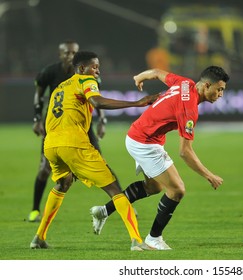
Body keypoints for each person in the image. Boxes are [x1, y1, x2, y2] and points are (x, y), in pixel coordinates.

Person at [89, 66, 230, 250]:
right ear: (206, 86)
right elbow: (185, 152)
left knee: (153, 187)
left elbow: (156, 72)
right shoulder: (189, 110)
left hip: (139, 134)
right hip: (144, 142)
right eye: (219, 89)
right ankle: (154, 238)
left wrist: (139, 76)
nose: (220, 94)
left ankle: (103, 211)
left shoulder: (185, 82)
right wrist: (209, 175)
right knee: (177, 190)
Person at [29, 51, 158, 251]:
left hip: (51, 145)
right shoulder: (86, 80)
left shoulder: (59, 88)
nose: (97, 70)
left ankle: (39, 238)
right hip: (73, 144)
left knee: (63, 183)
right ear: (81, 68)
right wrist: (137, 103)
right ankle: (137, 241)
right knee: (114, 188)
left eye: (98, 67)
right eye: (94, 67)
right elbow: (97, 102)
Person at [28, 40, 107, 222]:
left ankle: (117, 204)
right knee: (44, 169)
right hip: (56, 126)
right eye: (67, 53)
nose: (70, 56)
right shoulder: (50, 72)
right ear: (60, 55)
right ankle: (34, 210)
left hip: (82, 126)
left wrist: (102, 120)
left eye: (74, 53)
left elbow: (98, 97)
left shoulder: (87, 72)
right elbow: (38, 95)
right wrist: (36, 118)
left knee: (100, 165)